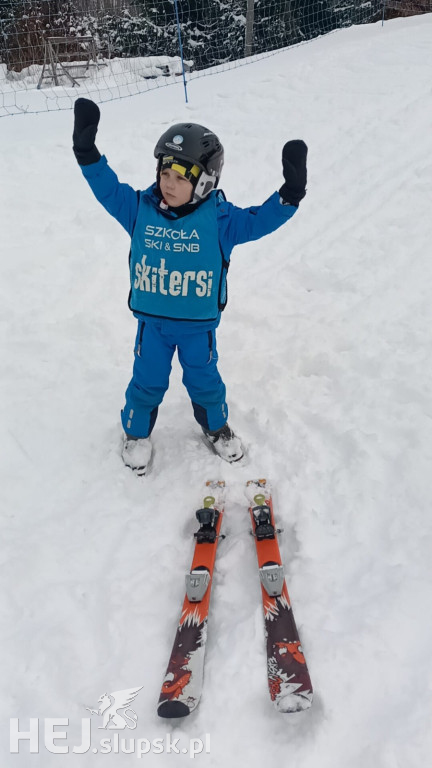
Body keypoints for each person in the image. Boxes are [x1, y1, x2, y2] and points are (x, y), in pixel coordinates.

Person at [72, 98, 308, 475]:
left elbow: (260, 221)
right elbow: (108, 189)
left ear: (205, 182)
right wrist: (87, 152)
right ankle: (136, 433)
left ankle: (215, 427)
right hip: (154, 327)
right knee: (147, 380)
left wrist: (290, 194)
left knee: (205, 381)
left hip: (199, 329)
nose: (168, 184)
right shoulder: (139, 210)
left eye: (181, 177)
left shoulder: (221, 220)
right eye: (165, 173)